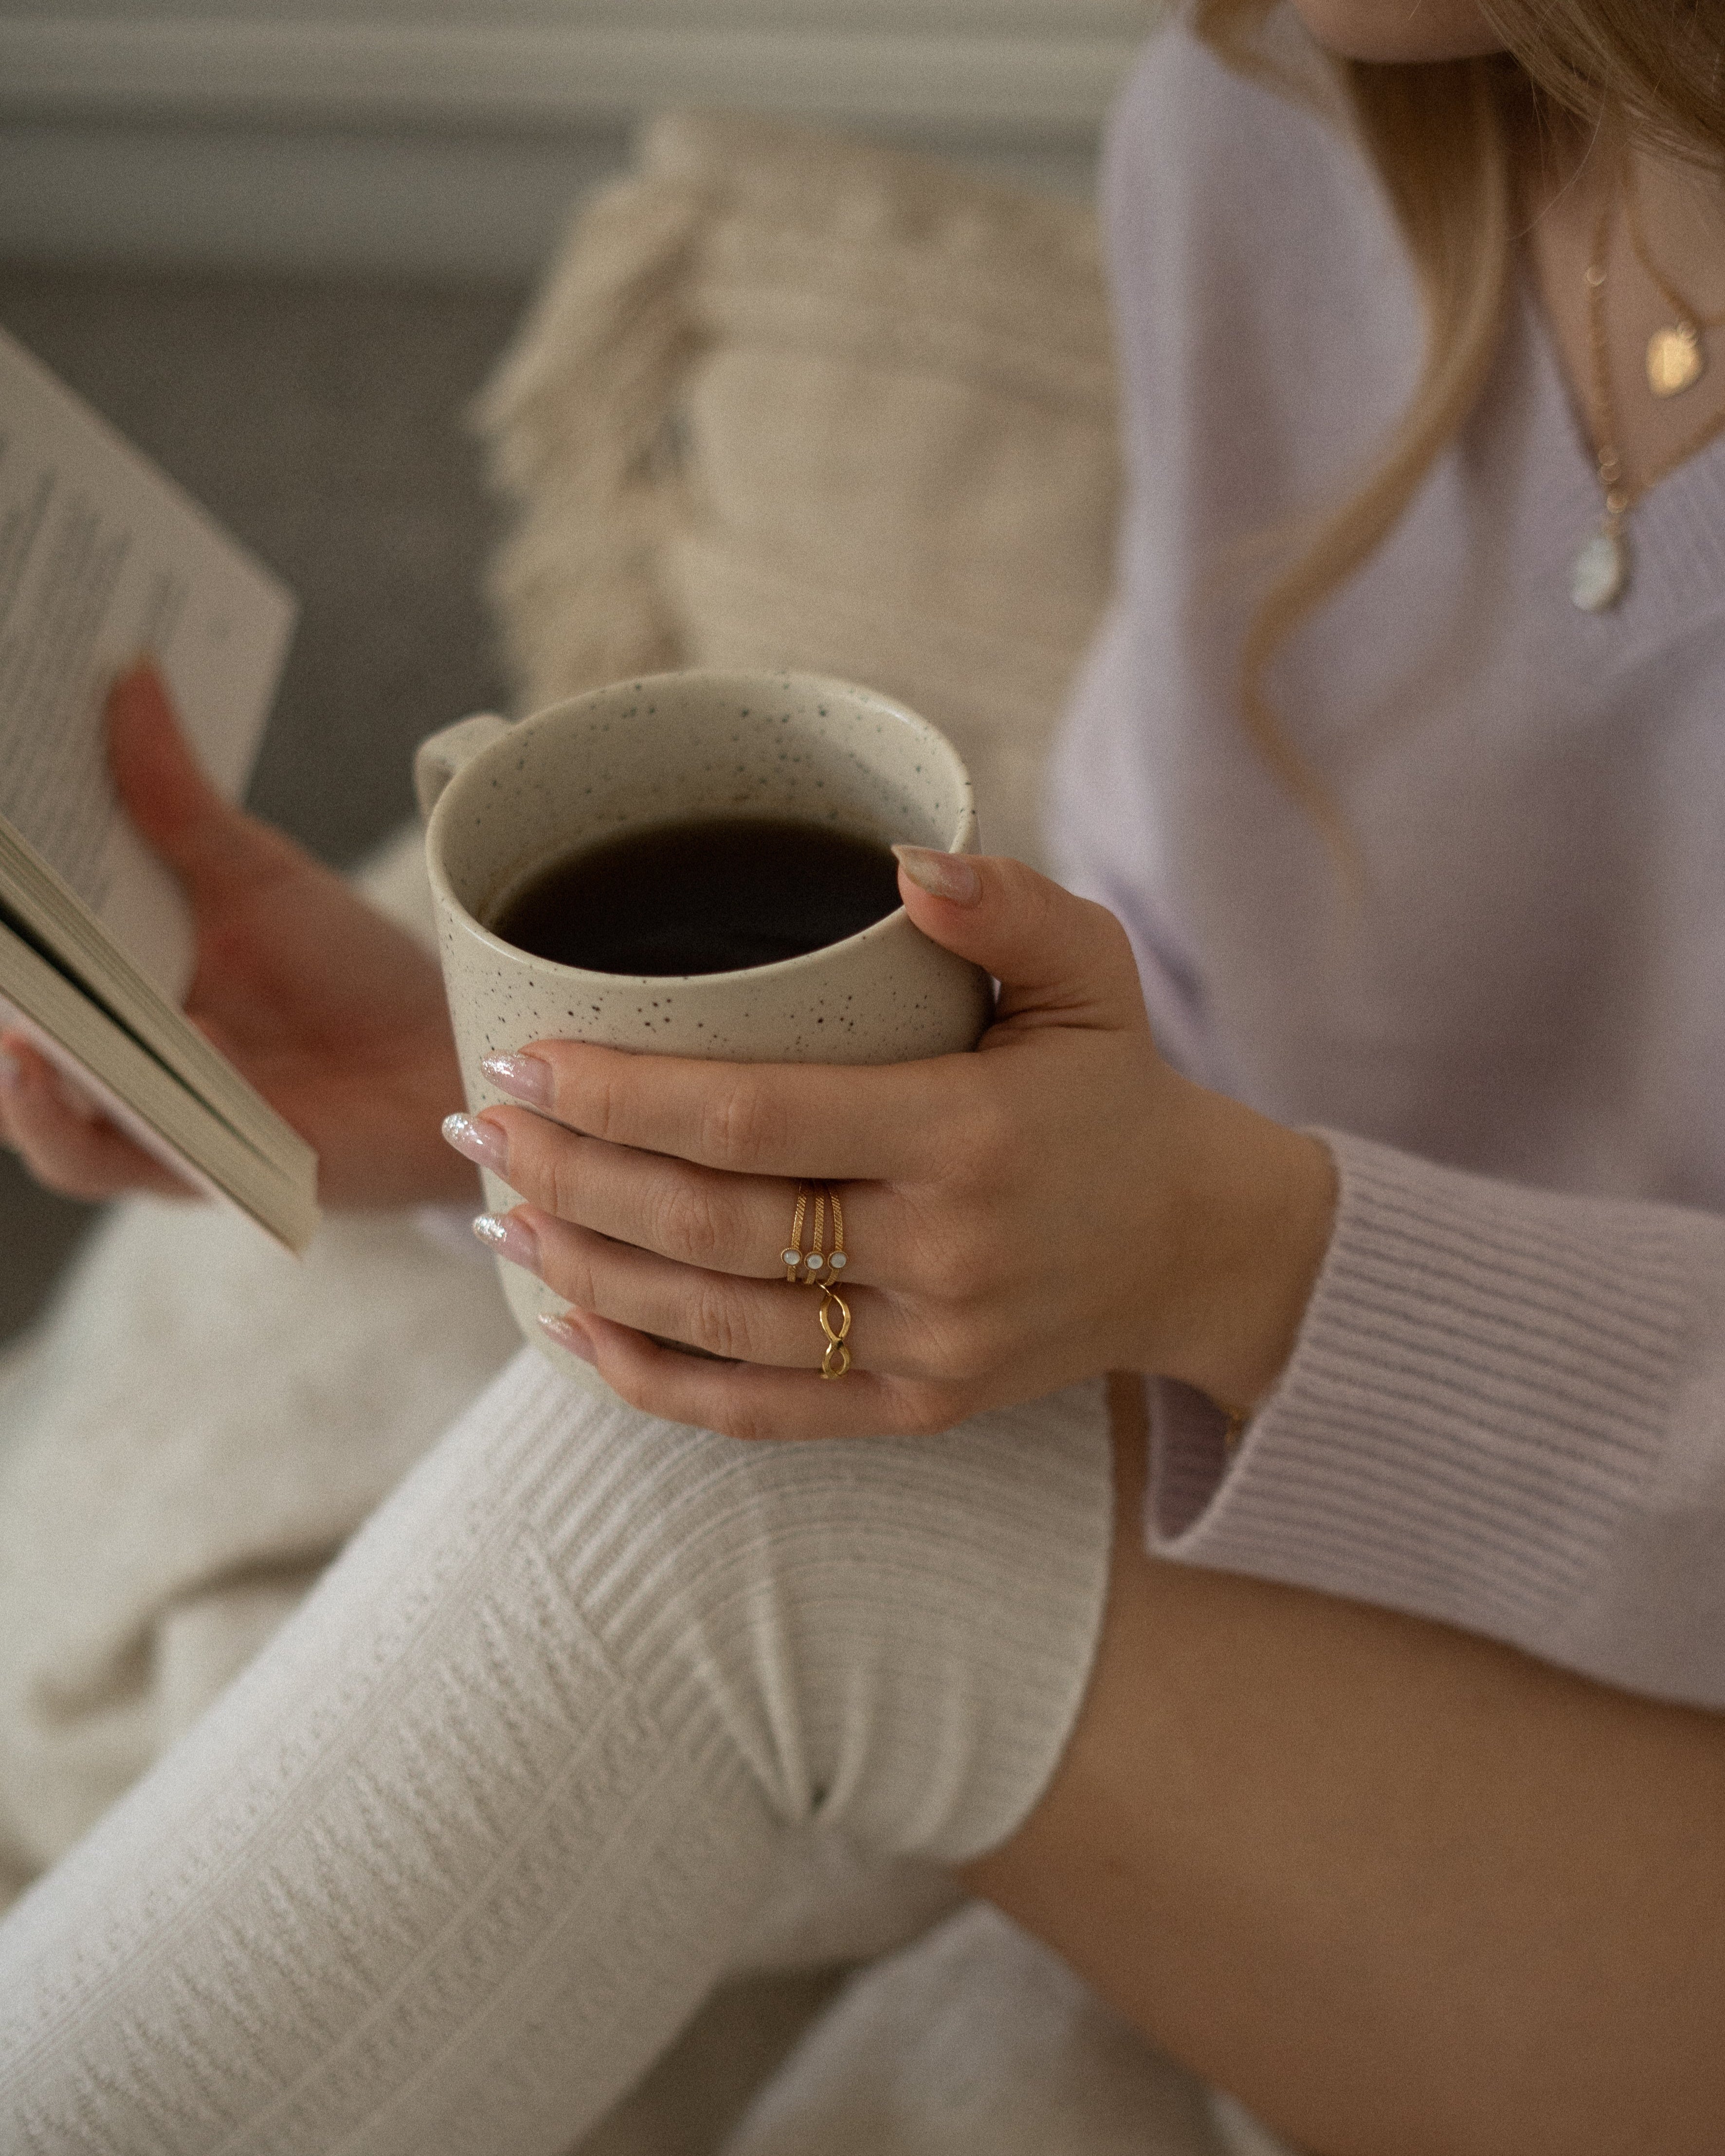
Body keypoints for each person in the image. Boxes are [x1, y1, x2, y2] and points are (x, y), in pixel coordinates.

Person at [3, 0, 1725, 2145]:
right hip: (1402, 1602)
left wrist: (1250, 1261)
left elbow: (1226, 1202)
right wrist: (527, 1096)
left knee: (747, 1517)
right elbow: (1191, 1016)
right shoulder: (1277, 131)